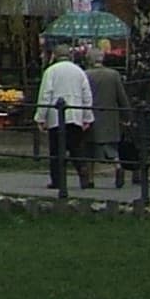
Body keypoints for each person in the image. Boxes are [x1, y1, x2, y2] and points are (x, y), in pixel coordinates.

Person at [34, 43, 95, 192]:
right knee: (76, 148)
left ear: (55, 55)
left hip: (56, 117)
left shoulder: (51, 71)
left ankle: (58, 180)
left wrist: (40, 117)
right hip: (75, 115)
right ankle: (83, 171)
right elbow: (87, 95)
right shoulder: (79, 72)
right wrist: (87, 117)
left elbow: (45, 95)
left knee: (56, 150)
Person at [87, 46, 131, 187]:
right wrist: (127, 115)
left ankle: (90, 179)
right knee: (112, 148)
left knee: (90, 150)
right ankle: (118, 167)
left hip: (92, 115)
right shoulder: (114, 74)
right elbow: (121, 96)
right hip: (111, 116)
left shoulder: (86, 75)